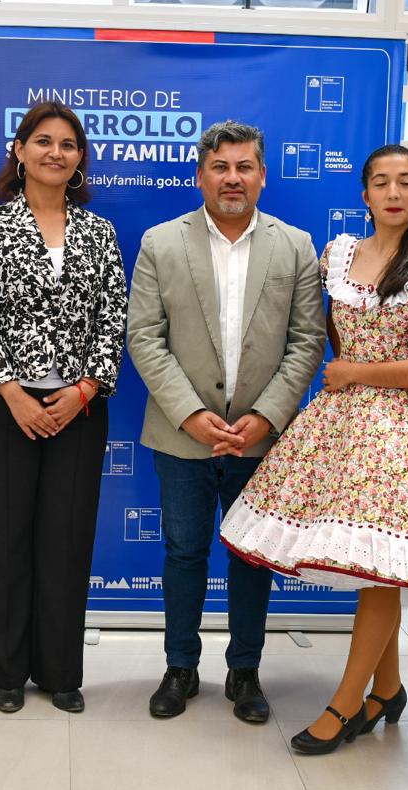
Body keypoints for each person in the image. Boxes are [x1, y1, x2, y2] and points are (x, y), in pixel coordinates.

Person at [220, 145, 408, 754]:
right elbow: (330, 341)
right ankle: (388, 687)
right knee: (371, 566)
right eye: (381, 182)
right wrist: (348, 375)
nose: (393, 193)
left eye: (405, 182)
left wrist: (355, 372)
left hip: (407, 433)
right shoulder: (337, 256)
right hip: (343, 427)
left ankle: (345, 703)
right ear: (364, 195)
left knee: (381, 569)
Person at [127, 120, 325, 722]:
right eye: (220, 167)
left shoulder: (296, 246)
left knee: (251, 556)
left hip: (261, 442)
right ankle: (180, 667)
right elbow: (144, 337)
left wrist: (266, 417)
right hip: (182, 437)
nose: (232, 178)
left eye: (244, 167)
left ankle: (245, 671)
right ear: (201, 175)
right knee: (184, 552)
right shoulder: (161, 243)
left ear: (263, 175)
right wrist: (190, 415)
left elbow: (307, 341)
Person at [0, 102, 127, 714]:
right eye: (44, 141)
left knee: (67, 540)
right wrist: (13, 395)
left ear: (80, 158)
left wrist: (84, 389)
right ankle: (6, 671)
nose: (57, 152)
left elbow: (114, 322)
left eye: (69, 144)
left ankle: (60, 672)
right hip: (4, 409)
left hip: (79, 409)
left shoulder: (98, 232)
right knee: (6, 541)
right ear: (20, 150)